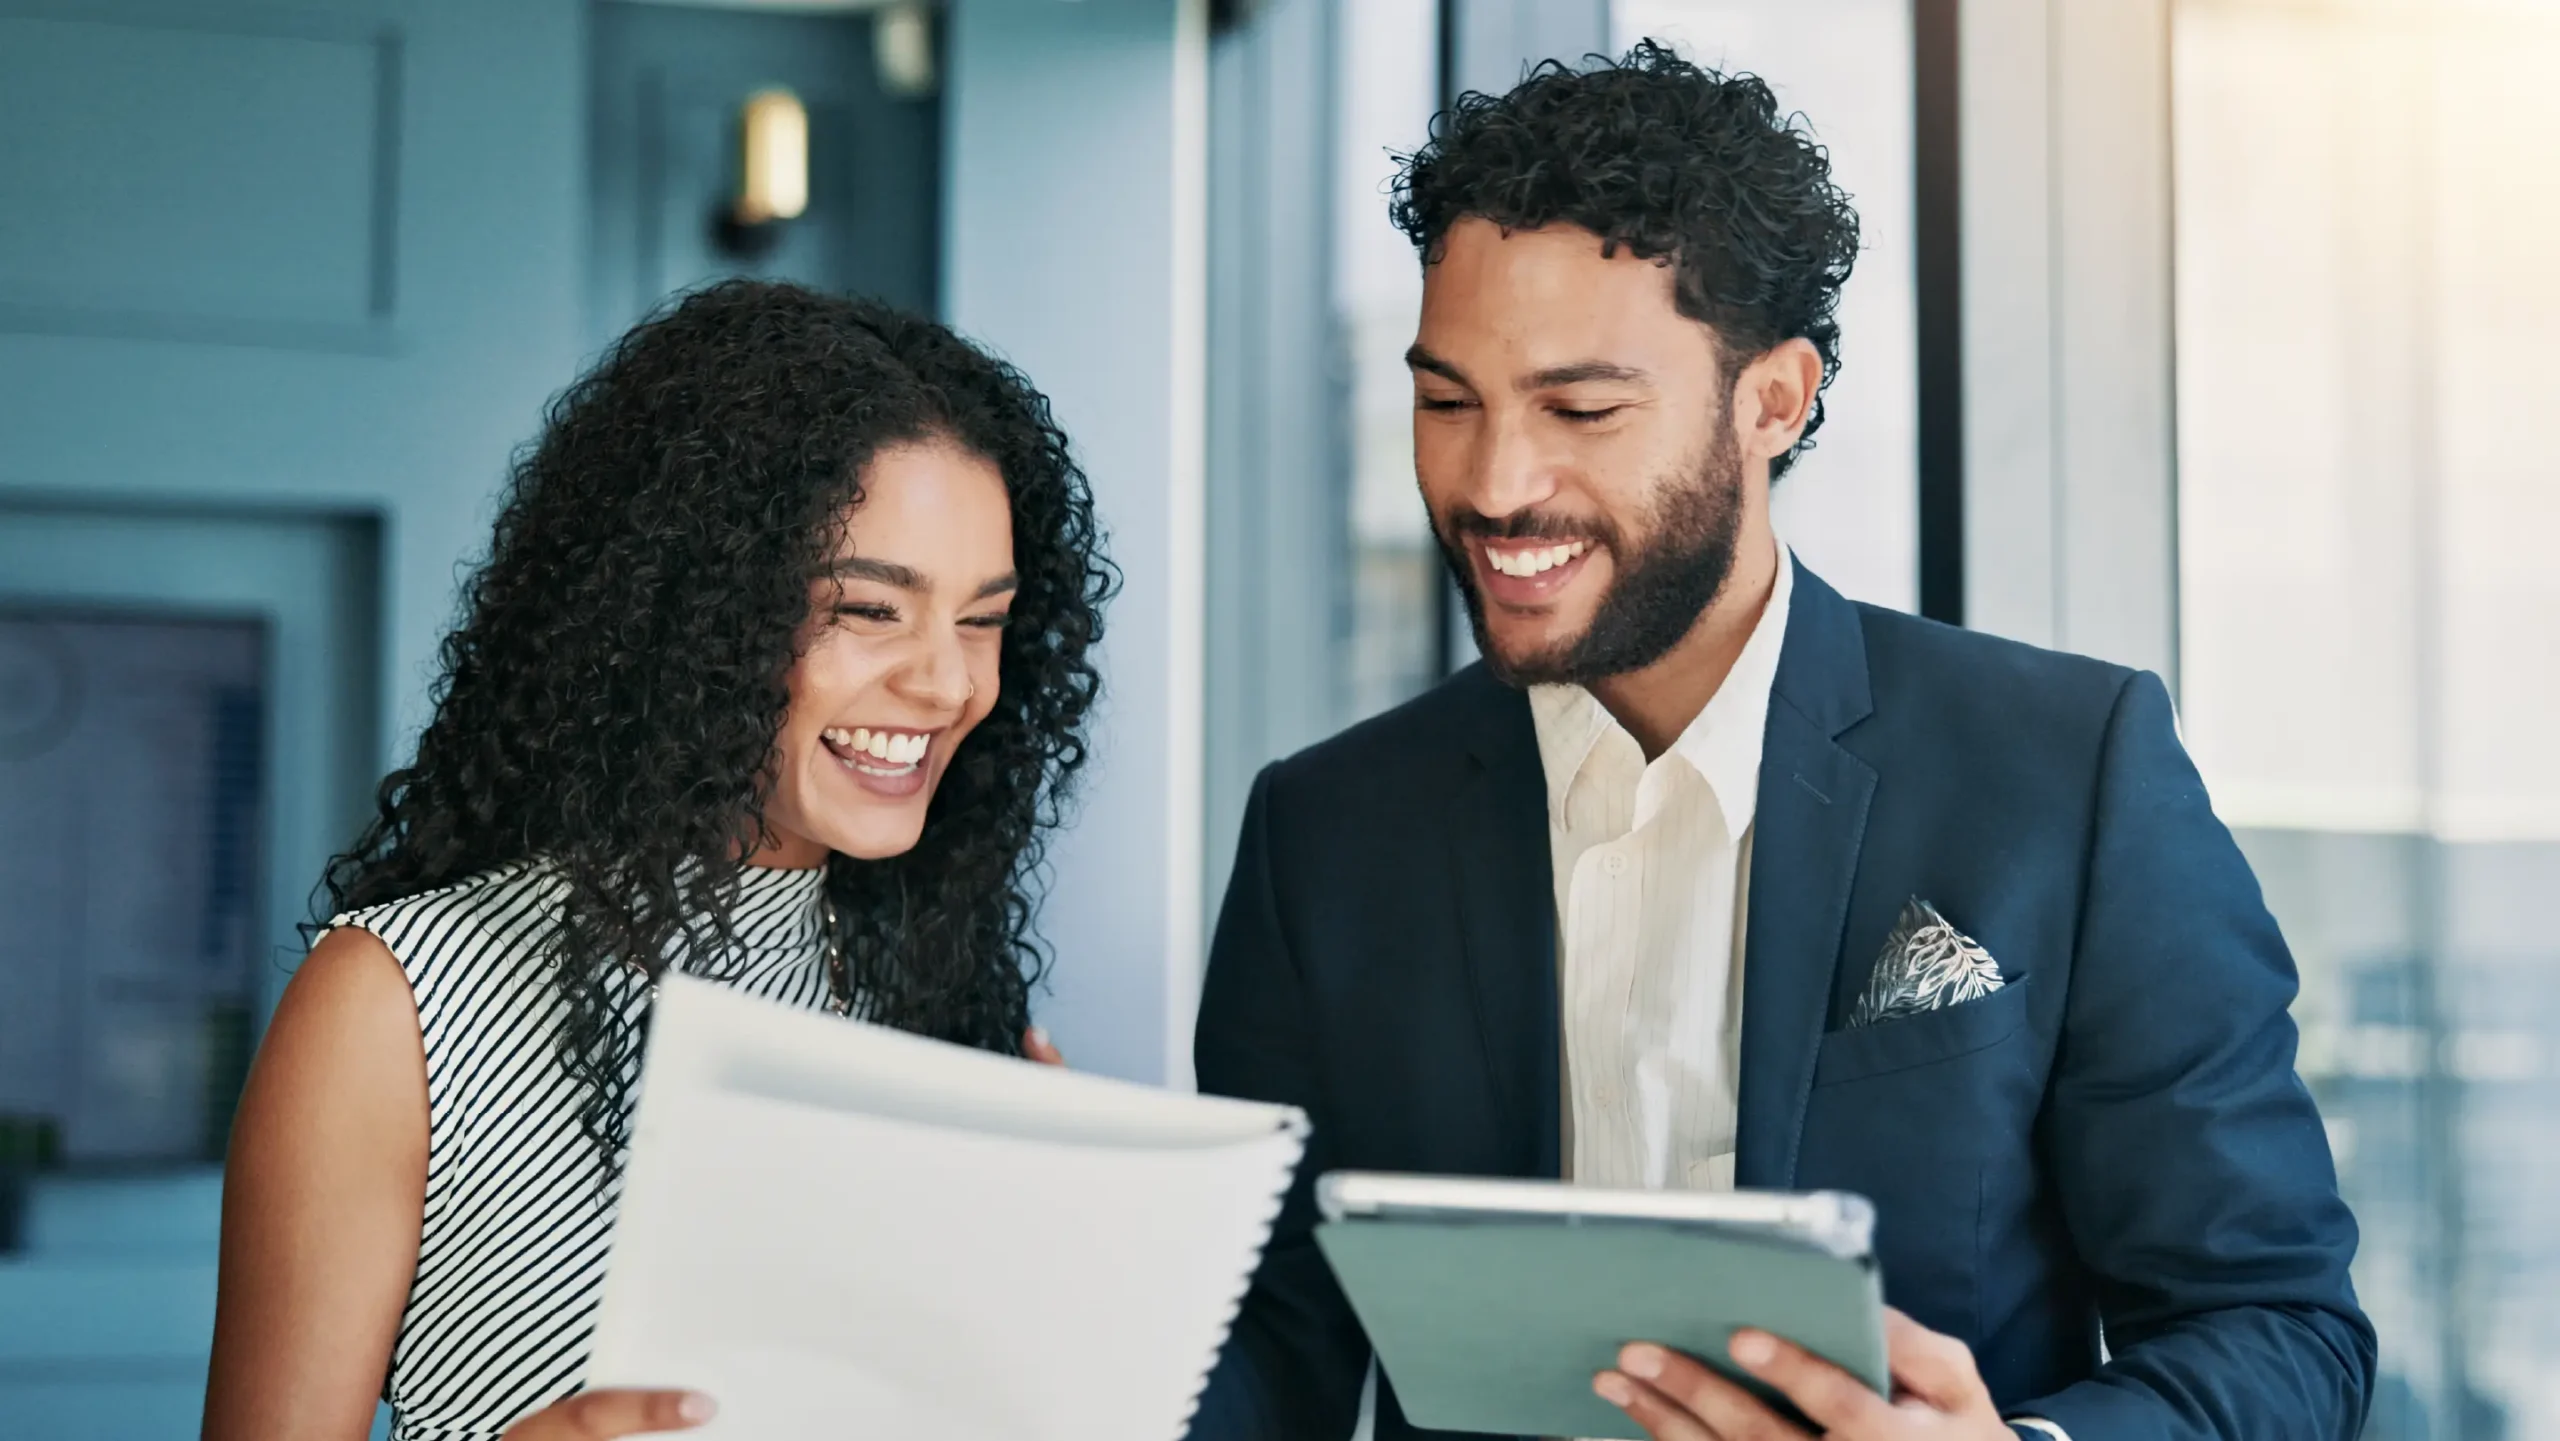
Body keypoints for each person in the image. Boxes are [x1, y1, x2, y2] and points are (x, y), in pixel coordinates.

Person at [1191, 43, 2374, 1441]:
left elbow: (2278, 1328)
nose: (1495, 482)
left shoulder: (2071, 772)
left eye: (1580, 409)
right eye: (1448, 401)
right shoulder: (1324, 833)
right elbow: (1261, 1353)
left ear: (1775, 399)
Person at [202, 281, 1114, 1441]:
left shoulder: (937, 996)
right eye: (868, 610)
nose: (946, 682)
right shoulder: (401, 1005)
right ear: (697, 615)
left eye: (982, 618)